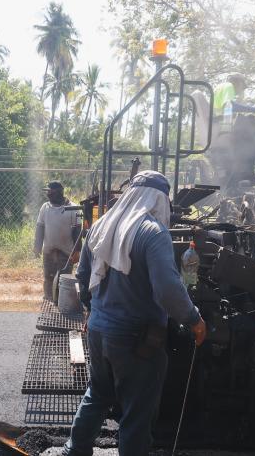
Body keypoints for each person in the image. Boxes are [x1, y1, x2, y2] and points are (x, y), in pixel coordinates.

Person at [62, 171, 207, 456]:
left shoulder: (100, 227)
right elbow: (167, 289)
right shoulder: (153, 232)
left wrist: (93, 312)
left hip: (99, 331)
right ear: (159, 199)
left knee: (98, 394)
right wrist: (194, 319)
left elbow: (83, 276)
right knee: (137, 410)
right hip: (136, 339)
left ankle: (75, 450)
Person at [34, 181, 79, 300]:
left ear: (59, 192)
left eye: (50, 192)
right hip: (49, 251)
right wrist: (37, 247)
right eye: (47, 192)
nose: (48, 194)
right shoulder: (45, 207)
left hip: (66, 252)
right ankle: (48, 299)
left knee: (63, 279)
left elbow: (77, 231)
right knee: (48, 277)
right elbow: (40, 227)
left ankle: (61, 301)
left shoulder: (73, 208)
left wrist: (77, 251)